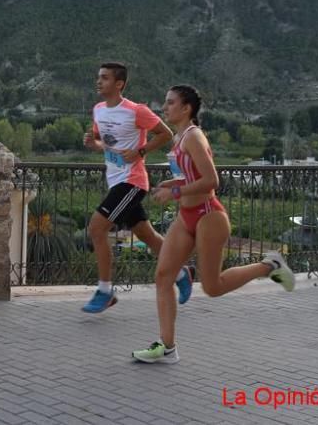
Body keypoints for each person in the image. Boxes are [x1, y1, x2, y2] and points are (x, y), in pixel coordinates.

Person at [132, 85, 295, 364]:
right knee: (163, 276)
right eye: (165, 103)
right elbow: (192, 176)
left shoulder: (194, 137)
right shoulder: (180, 137)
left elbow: (212, 181)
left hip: (209, 216)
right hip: (187, 216)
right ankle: (167, 348)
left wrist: (174, 192)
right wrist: (176, 183)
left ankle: (271, 266)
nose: (165, 107)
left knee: (213, 286)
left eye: (170, 103)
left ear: (186, 109)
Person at [81, 63, 194, 314]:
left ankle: (105, 290)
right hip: (115, 179)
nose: (98, 82)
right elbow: (104, 142)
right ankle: (181, 273)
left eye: (105, 78)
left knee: (97, 228)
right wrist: (93, 143)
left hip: (132, 181)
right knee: (147, 236)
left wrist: (141, 151)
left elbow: (165, 133)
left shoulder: (135, 111)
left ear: (119, 84)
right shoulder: (99, 110)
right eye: (98, 77)